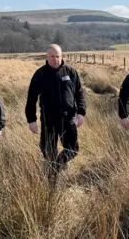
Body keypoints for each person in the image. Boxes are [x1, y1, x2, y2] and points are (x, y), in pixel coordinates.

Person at [25, 44, 86, 174]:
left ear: (62, 56)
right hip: (49, 120)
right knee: (48, 151)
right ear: (47, 56)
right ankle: (52, 174)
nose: (55, 59)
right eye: (52, 56)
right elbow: (31, 98)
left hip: (68, 119)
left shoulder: (70, 72)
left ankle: (59, 164)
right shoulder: (40, 74)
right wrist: (31, 120)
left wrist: (81, 112)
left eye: (57, 56)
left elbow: (79, 93)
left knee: (72, 150)